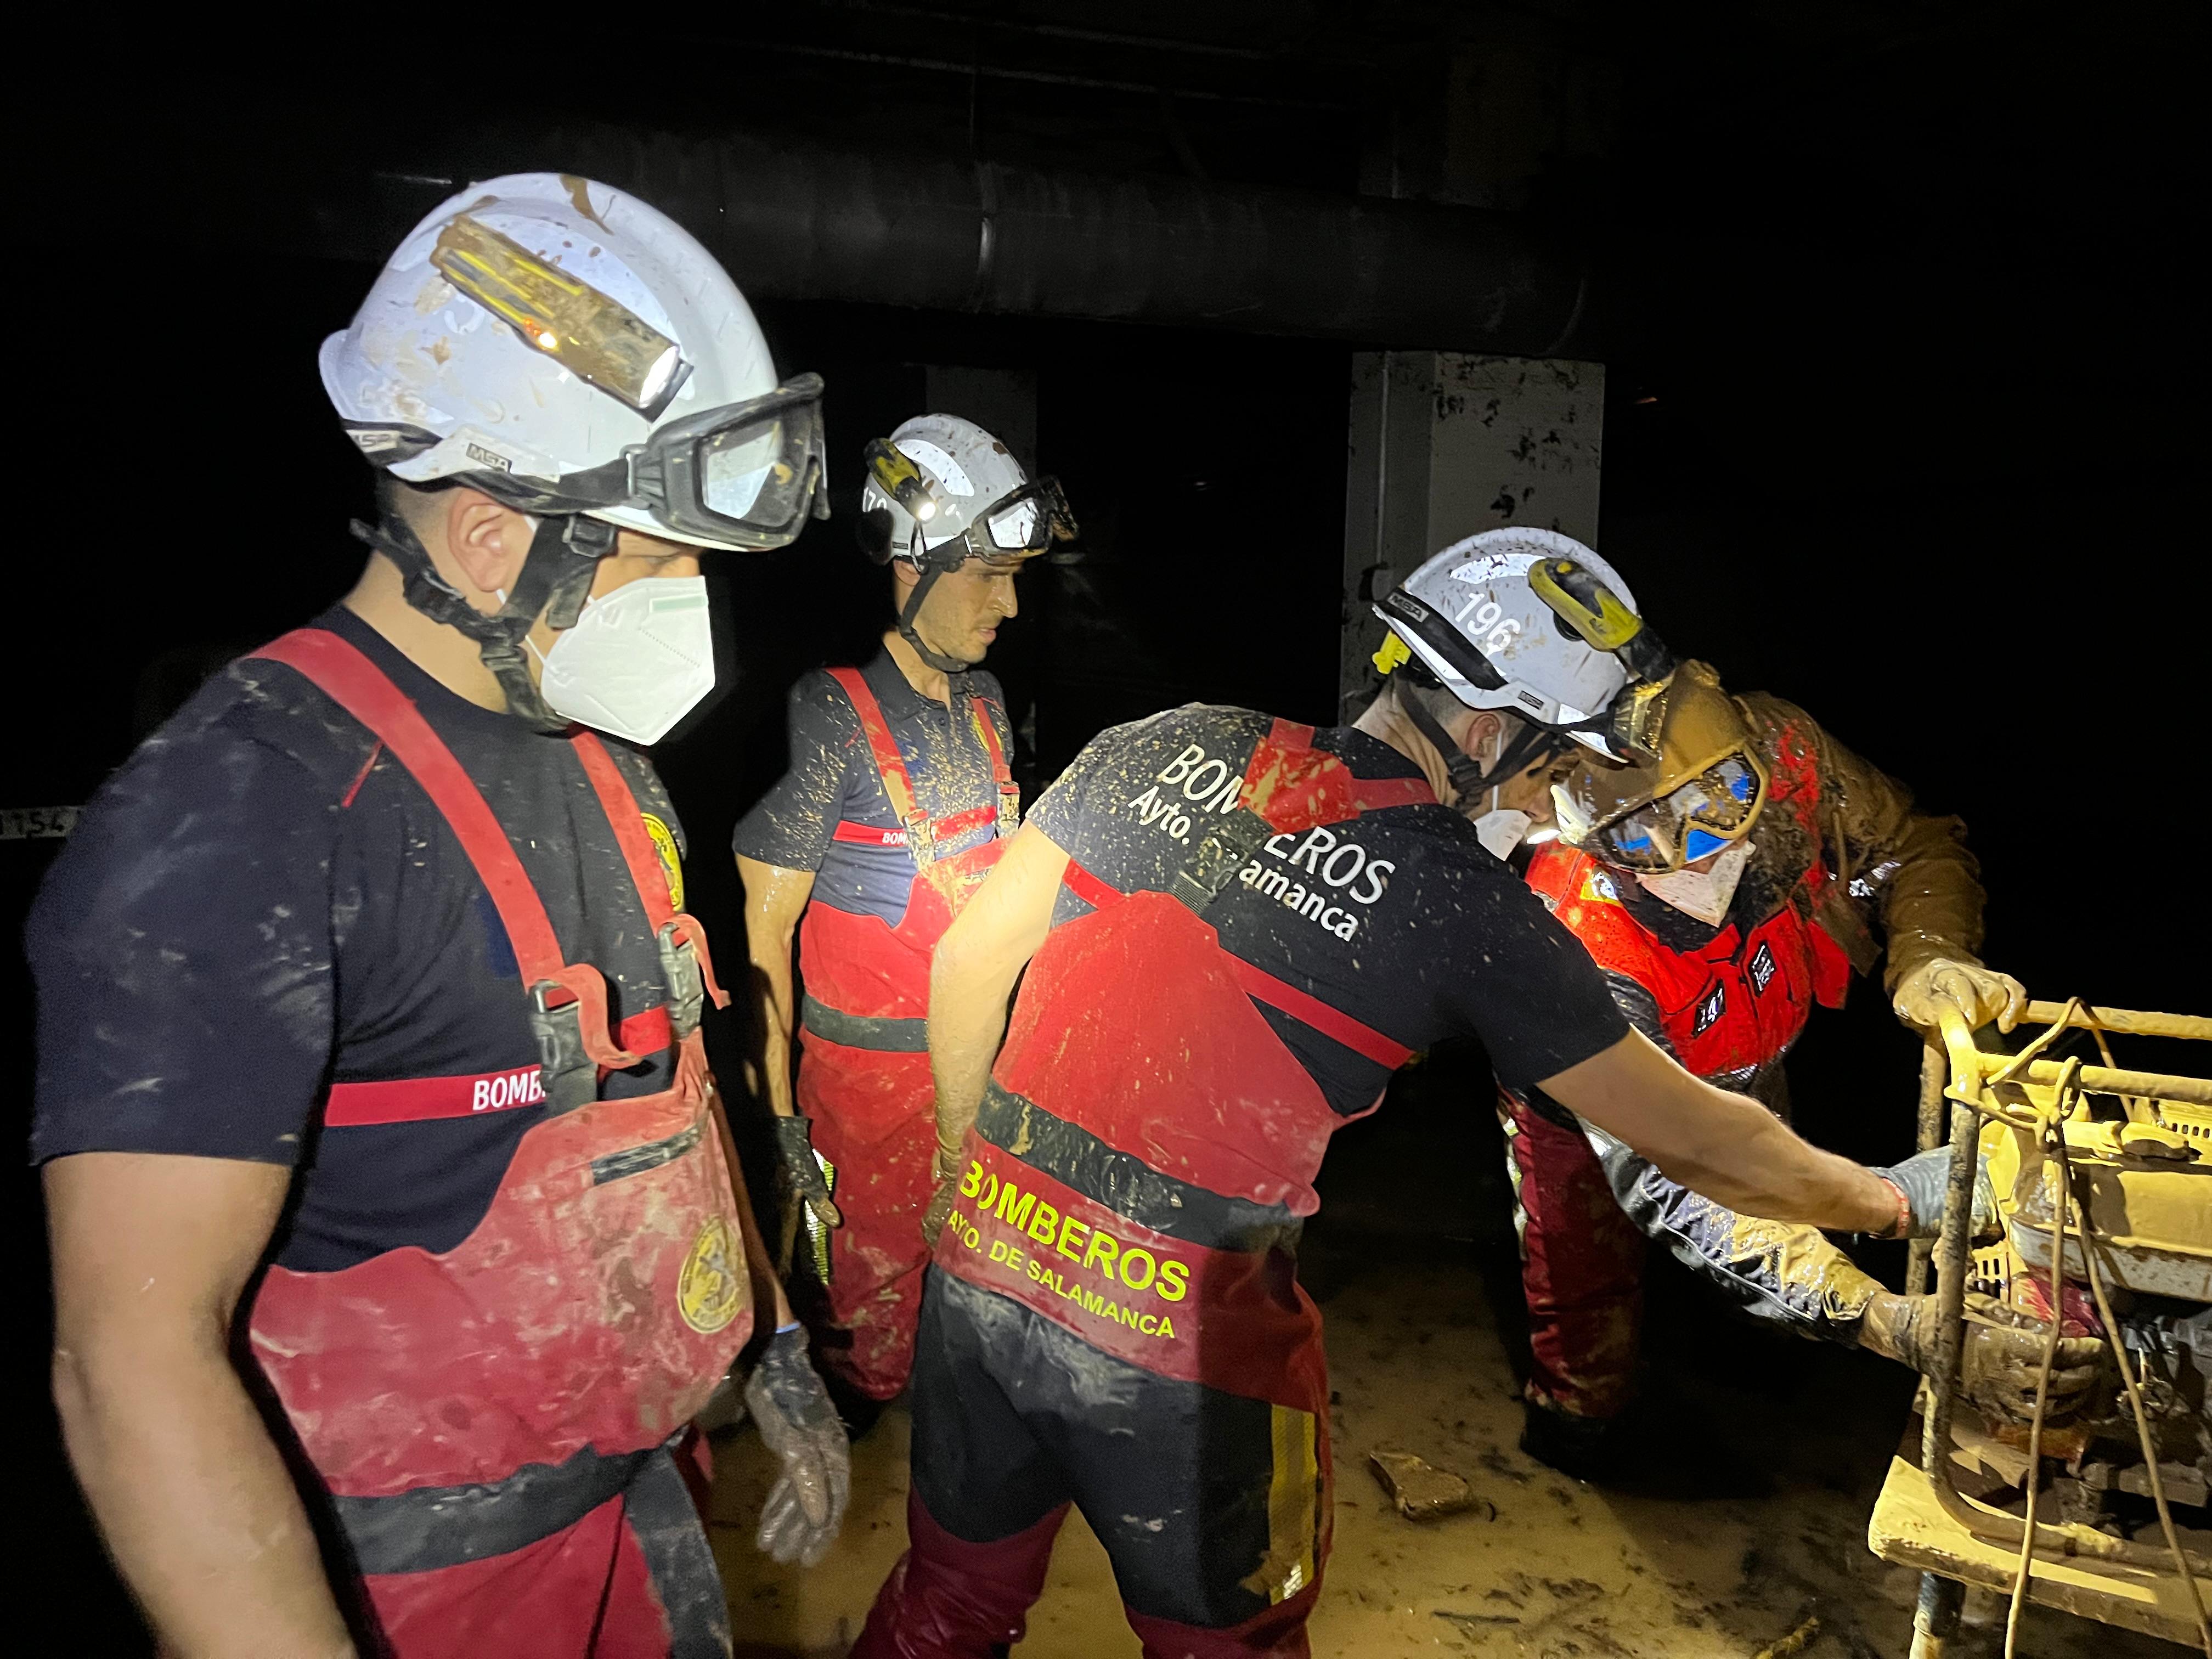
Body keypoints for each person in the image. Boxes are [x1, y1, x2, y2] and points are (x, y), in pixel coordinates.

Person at [848, 531, 2008, 1659]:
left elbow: (968, 963)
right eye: (1558, 764)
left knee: (951, 1600)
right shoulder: (1472, 910)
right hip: (1180, 1344)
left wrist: (966, 1174)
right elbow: (1701, 1144)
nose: (1559, 801)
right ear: (1495, 727)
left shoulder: (1166, 737)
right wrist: (1888, 1200)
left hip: (982, 1278)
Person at [32, 176, 849, 1659]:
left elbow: (672, 1097)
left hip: (635, 1520)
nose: (696, 608)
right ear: (491, 539)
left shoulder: (609, 771)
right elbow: (128, 1365)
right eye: (668, 558)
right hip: (388, 1593)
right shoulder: (246, 814)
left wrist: (773, 1347)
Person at [1499, 656, 2097, 1481]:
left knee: (1779, 1212)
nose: (1693, 860)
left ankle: (1757, 1342)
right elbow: (1682, 1173)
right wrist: (1892, 1320)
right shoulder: (1570, 949)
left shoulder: (1787, 754)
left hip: (1751, 1052)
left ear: (1754, 768)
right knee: (1584, 1278)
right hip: (1595, 1105)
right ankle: (1580, 1431)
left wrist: (1929, 951)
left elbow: (1912, 843)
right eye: (1641, 833)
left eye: (1716, 806)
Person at [735, 416, 1071, 1424]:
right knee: (866, 1323)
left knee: (972, 1304)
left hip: (978, 1072)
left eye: (1016, 578)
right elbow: (763, 935)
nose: (1008, 604)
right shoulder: (831, 713)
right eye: (985, 576)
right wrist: (780, 1121)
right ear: (911, 565)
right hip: (864, 1090)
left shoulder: (984, 705)